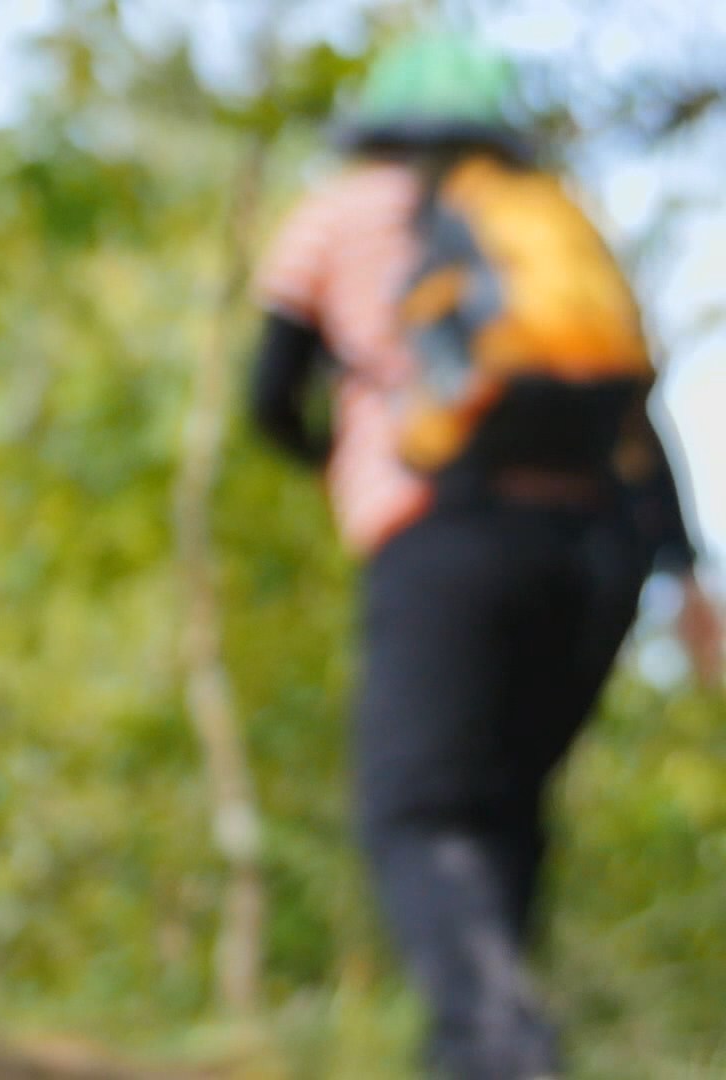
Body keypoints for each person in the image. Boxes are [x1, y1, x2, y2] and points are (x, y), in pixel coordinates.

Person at [249, 32, 721, 1080]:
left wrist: (340, 448)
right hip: (596, 554)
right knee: (504, 809)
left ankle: (500, 1047)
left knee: (418, 809)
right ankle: (482, 1052)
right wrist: (685, 580)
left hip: (446, 536)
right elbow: (638, 423)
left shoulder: (344, 209)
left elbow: (267, 391)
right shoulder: (560, 224)